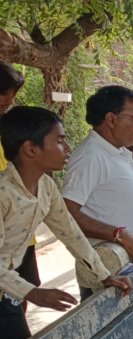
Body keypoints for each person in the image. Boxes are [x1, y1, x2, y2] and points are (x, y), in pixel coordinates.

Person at [0, 106, 131, 339]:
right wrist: (32, 292)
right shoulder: (3, 194)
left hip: (6, 295)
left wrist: (103, 275)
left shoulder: (46, 187)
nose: (68, 148)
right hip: (11, 290)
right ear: (30, 149)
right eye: (60, 141)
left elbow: (70, 232)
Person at [62, 86, 133, 299]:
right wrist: (118, 235)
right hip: (107, 273)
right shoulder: (90, 156)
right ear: (111, 119)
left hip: (128, 269)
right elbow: (66, 213)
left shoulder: (119, 151)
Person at [0, 61, 42, 309]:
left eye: (10, 100)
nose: (7, 105)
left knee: (21, 296)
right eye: (3, 100)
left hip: (22, 237)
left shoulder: (9, 132)